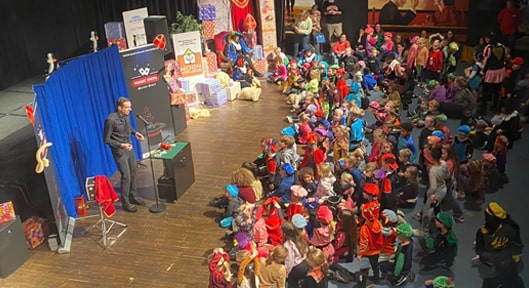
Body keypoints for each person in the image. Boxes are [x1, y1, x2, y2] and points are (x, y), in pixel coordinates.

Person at [103, 97, 145, 212]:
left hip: (129, 148)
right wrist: (121, 145)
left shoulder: (126, 115)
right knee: (126, 176)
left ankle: (133, 196)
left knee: (133, 173)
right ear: (119, 108)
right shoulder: (110, 120)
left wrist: (135, 133)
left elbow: (128, 127)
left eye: (129, 107)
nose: (129, 110)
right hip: (119, 151)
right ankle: (125, 203)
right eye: (127, 107)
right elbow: (106, 140)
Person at [473, 202, 524, 267]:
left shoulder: (509, 230)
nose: (485, 219)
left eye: (487, 217)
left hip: (506, 257)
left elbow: (517, 248)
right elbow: (479, 249)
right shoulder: (482, 232)